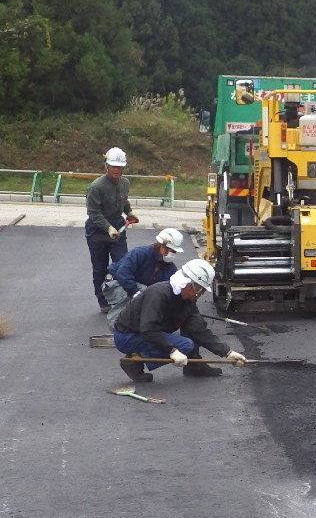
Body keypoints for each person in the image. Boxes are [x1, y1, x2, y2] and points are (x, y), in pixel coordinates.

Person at [113, 259, 247, 384]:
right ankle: (133, 360)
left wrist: (227, 353)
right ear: (189, 284)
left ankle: (194, 366)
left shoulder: (187, 300)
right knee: (185, 345)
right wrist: (171, 350)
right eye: (200, 289)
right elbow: (148, 328)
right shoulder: (159, 294)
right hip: (128, 335)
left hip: (147, 333)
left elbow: (198, 329)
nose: (201, 294)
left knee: (191, 330)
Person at [84, 147, 136, 312]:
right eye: (113, 166)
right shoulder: (96, 187)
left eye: (119, 167)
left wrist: (129, 212)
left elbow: (124, 201)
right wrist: (108, 228)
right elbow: (93, 213)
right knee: (100, 268)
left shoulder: (125, 183)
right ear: (106, 166)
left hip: (118, 227)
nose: (116, 169)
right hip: (97, 231)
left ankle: (122, 297)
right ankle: (103, 301)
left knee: (123, 264)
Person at [100, 228, 185, 328]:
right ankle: (117, 326)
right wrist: (136, 293)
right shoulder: (140, 253)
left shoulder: (170, 268)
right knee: (143, 293)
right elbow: (123, 274)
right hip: (115, 284)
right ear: (162, 246)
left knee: (151, 296)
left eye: (175, 252)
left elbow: (170, 288)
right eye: (172, 251)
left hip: (139, 289)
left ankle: (137, 327)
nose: (173, 254)